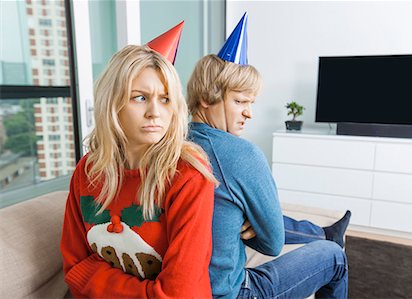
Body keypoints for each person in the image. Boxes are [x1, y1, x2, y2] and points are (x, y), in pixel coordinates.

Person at [187, 13, 350, 298]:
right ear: (206, 96)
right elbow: (272, 244)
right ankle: (327, 237)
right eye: (240, 101)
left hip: (190, 286)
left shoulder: (177, 141)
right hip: (233, 292)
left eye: (251, 103)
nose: (249, 112)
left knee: (254, 207)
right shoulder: (240, 154)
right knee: (334, 255)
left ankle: (323, 232)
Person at [60, 22, 217, 298]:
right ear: (113, 104)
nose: (155, 112)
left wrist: (96, 276)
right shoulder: (87, 172)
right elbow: (74, 268)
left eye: (165, 99)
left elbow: (180, 293)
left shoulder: (189, 175)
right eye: (140, 98)